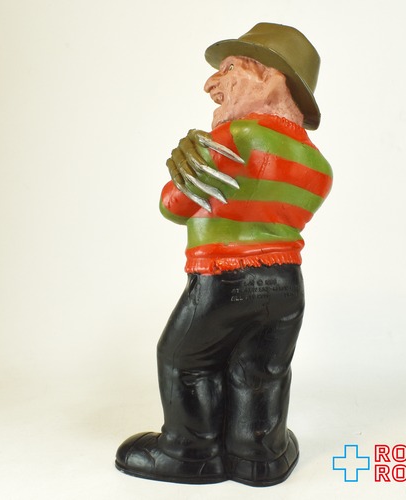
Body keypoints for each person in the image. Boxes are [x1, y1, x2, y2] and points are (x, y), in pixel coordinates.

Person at [115, 22, 332, 487]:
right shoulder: (319, 166)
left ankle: (189, 451)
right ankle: (261, 455)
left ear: (270, 79)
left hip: (223, 278)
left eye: (229, 69)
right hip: (286, 283)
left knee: (184, 360)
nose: (212, 83)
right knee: (260, 371)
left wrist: (189, 165)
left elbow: (173, 206)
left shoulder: (236, 137)